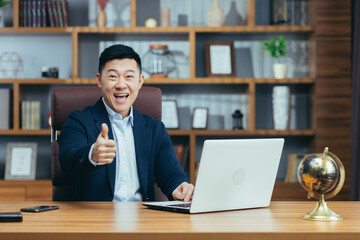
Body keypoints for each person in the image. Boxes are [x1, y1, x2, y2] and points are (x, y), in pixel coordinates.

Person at [58, 44, 194, 202]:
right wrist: (92, 154)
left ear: (140, 82)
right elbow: (68, 162)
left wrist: (179, 186)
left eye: (129, 77)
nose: (121, 85)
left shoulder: (154, 129)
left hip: (143, 220)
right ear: (99, 80)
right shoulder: (79, 121)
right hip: (96, 221)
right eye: (113, 76)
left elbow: (171, 174)